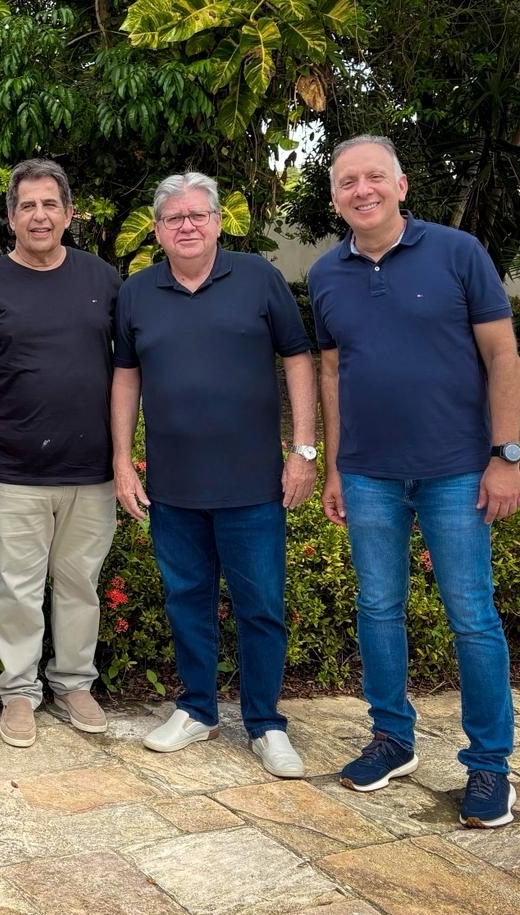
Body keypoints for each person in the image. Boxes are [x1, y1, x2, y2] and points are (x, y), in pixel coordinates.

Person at [309, 135, 519, 827]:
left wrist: (507, 455)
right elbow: (333, 372)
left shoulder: (458, 252)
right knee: (377, 608)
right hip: (368, 473)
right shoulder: (326, 273)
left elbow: (502, 353)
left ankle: (489, 765)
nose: (361, 190)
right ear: (334, 197)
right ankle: (392, 739)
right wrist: (335, 465)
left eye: (374, 177)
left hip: (457, 469)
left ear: (401, 185)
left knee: (472, 616)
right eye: (347, 182)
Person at [111, 171, 316, 778]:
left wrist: (305, 450)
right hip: (173, 484)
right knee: (186, 601)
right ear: (157, 230)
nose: (187, 226)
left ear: (218, 222)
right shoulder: (137, 292)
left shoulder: (258, 278)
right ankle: (197, 709)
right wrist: (121, 458)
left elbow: (298, 358)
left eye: (197, 215)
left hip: (253, 483)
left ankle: (266, 723)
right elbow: (125, 375)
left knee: (261, 606)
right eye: (174, 218)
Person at [0, 159, 121, 749]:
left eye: (50, 205)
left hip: (91, 471)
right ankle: (18, 691)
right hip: (12, 471)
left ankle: (74, 683)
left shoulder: (103, 279)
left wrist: (124, 458)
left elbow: (129, 368)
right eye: (27, 206)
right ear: (11, 217)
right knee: (16, 590)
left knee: (80, 584)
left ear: (68, 214)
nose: (39, 216)